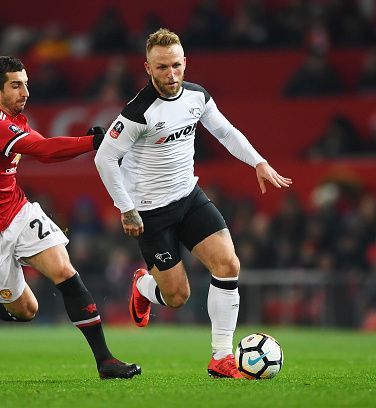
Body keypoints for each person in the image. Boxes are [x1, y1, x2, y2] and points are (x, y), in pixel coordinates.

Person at [94, 29, 292, 379]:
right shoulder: (138, 112)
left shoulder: (196, 96)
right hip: (151, 212)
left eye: (176, 65)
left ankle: (220, 357)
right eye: (162, 68)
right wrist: (126, 208)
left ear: (185, 63)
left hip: (189, 197)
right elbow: (105, 159)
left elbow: (226, 132)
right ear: (147, 68)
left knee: (228, 264)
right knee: (177, 297)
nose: (171, 75)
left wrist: (258, 162)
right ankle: (143, 285)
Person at [0, 56, 140, 380]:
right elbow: (46, 151)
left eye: (25, 83)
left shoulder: (12, 119)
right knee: (26, 310)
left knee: (64, 270)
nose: (25, 91)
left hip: (15, 210)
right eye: (15, 85)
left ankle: (105, 361)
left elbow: (41, 147)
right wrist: (94, 142)